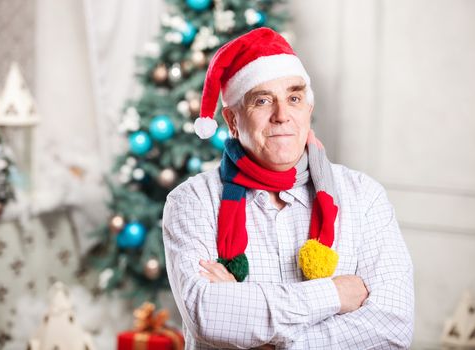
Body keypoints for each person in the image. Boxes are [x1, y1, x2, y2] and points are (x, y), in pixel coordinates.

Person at [162, 27, 414, 349]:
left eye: (294, 98)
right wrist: (336, 294)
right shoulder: (192, 201)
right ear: (232, 120)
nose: (282, 115)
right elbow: (207, 314)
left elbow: (392, 328)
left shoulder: (364, 196)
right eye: (262, 100)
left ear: (307, 109)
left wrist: (274, 341)